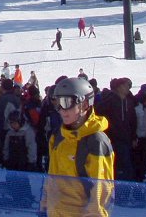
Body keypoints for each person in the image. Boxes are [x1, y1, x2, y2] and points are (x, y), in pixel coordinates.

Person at [41, 76, 113, 217]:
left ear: (84, 104)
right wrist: (44, 206)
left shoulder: (95, 141)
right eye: (57, 104)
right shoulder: (58, 136)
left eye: (66, 103)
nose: (61, 110)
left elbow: (101, 190)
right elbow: (52, 176)